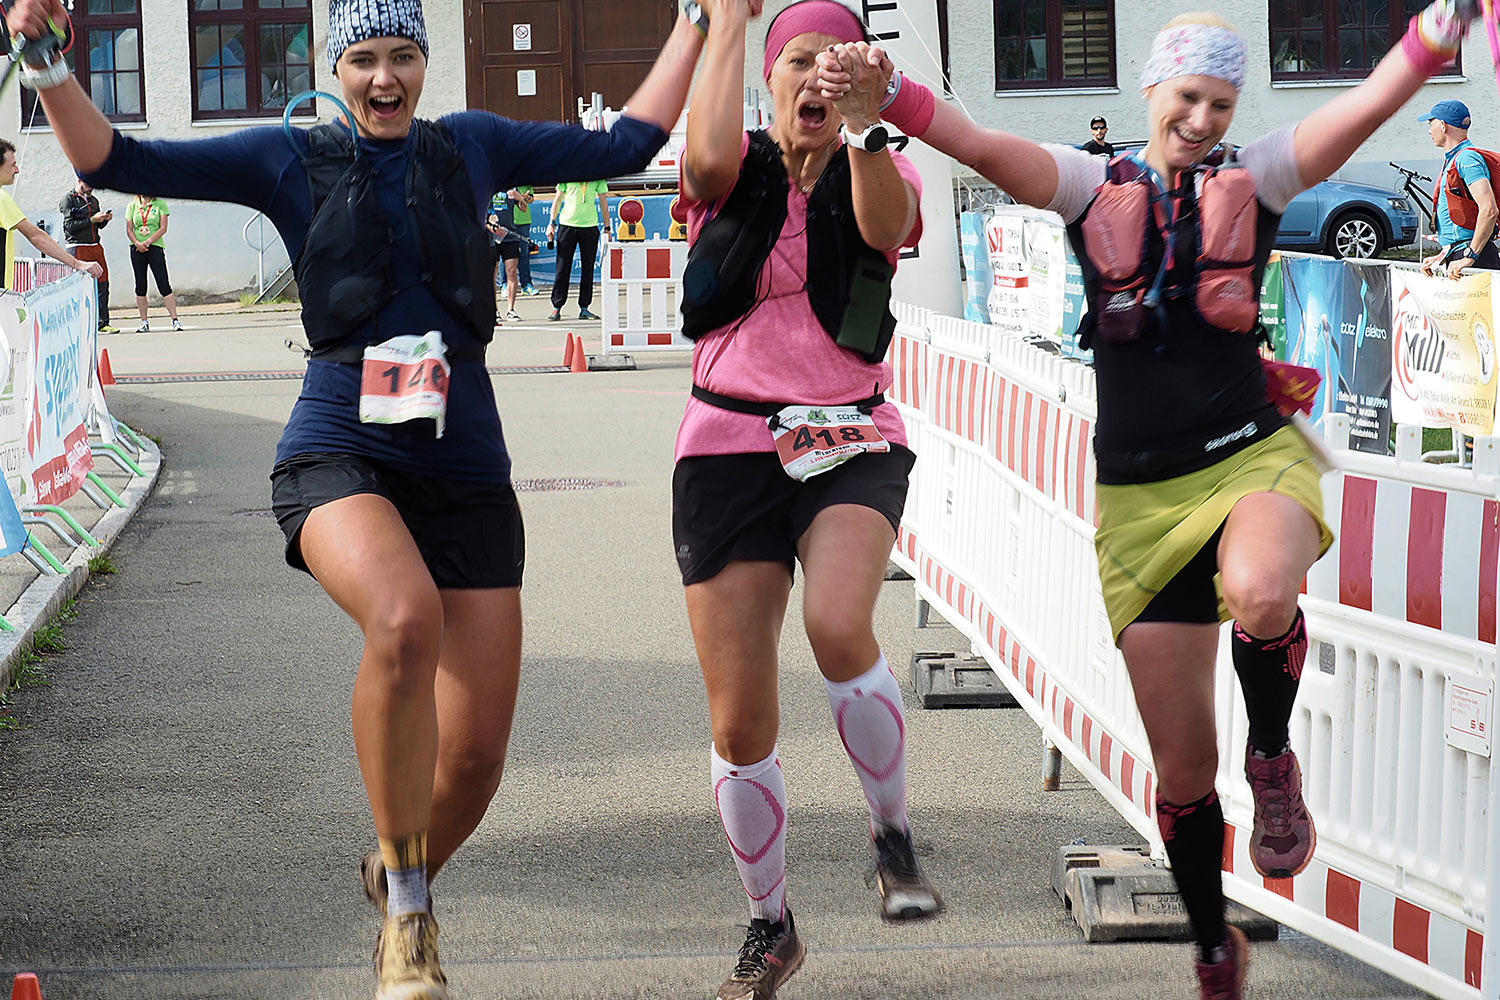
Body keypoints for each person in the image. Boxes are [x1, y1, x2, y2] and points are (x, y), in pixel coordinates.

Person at [4, 0, 719, 996]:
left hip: (465, 465)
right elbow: (117, 158)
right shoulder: (284, 158)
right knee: (401, 616)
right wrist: (40, 63)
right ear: (333, 67)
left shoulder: (472, 145)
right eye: (364, 59)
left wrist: (696, 21)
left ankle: (397, 865)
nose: (385, 78)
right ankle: (411, 919)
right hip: (340, 446)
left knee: (472, 762)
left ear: (424, 63)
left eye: (403, 56)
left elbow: (632, 141)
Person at [818, 2, 1477, 998]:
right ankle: (1216, 944)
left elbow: (1369, 100)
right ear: (1152, 92)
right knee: (1178, 773)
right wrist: (890, 100)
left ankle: (1272, 751)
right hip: (1138, 500)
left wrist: (1433, 35)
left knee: (1261, 592)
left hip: (1251, 458)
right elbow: (979, 142)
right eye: (1188, 98)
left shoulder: (1258, 175)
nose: (1204, 118)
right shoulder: (1095, 187)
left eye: (1221, 101)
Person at [676, 3, 938, 998]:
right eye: (799, 63)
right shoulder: (732, 164)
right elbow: (698, 165)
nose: (816, 81)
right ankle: (770, 922)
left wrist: (869, 119)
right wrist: (726, 20)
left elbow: (887, 227)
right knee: (739, 721)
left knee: (837, 621)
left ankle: (893, 829)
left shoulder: (884, 160)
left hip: (852, 435)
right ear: (769, 77)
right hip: (725, 443)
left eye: (835, 66)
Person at [0, 139, 104, 292]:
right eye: (12, 165)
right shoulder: (1, 198)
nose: (17, 170)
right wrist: (78, 264)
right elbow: (36, 236)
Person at [1418, 99, 1499, 276]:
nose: (1429, 130)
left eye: (1430, 123)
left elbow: (1489, 209)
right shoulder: (1455, 158)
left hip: (1475, 257)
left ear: (1443, 125)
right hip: (1462, 253)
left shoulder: (1466, 159)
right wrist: (1441, 256)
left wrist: (1470, 256)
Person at [545, 177, 608, 320]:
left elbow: (603, 201)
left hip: (589, 227)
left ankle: (584, 307)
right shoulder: (568, 173)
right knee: (562, 267)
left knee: (588, 268)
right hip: (567, 225)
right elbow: (557, 200)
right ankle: (557, 307)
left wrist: (607, 227)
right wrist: (551, 223)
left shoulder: (598, 176)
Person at [59, 177, 116, 332]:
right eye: (88, 185)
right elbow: (70, 226)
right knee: (78, 285)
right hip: (78, 246)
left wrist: (104, 220)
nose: (91, 188)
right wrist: (92, 219)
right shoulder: (68, 200)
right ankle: (77, 322)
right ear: (79, 181)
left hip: (95, 245)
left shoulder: (94, 200)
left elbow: (98, 225)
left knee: (103, 283)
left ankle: (102, 323)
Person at [125, 193, 181, 332]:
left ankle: (175, 320)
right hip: (137, 248)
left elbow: (163, 228)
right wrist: (137, 243)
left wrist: (148, 241)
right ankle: (144, 322)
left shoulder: (160, 204)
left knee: (163, 283)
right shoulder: (132, 206)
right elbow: (129, 228)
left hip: (154, 247)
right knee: (140, 285)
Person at [487, 189, 526, 322]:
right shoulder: (489, 186)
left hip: (510, 236)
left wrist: (519, 197)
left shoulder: (512, 188)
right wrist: (492, 227)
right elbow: (482, 215)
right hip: (492, 238)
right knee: (492, 273)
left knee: (512, 271)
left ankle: (511, 310)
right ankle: (494, 310)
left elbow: (524, 209)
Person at [511, 183, 538, 294]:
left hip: (523, 221)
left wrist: (526, 197)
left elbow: (531, 199)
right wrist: (519, 197)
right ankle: (504, 284)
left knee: (524, 252)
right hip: (508, 221)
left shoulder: (526, 180)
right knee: (507, 253)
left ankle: (526, 284)